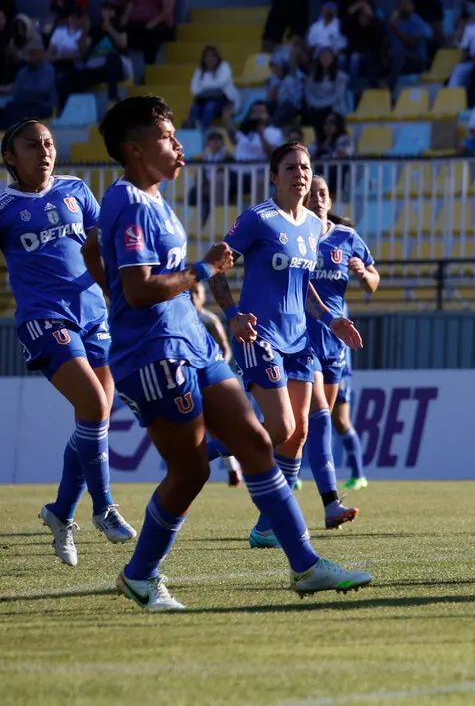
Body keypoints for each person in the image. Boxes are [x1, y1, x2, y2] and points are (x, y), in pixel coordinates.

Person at [97, 96, 371, 609]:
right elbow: (136, 290)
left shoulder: (155, 200)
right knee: (193, 471)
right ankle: (139, 574)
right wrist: (206, 276)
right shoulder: (130, 203)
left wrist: (329, 317)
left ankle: (307, 565)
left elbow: (100, 256)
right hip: (157, 351)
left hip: (196, 341)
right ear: (135, 150)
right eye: (167, 137)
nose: (179, 145)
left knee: (263, 440)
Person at [206, 143, 364, 545]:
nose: (301, 174)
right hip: (260, 336)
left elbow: (304, 284)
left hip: (300, 341)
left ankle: (265, 528)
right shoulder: (258, 219)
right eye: (291, 167)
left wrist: (331, 319)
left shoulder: (311, 225)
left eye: (305, 167)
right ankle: (204, 452)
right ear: (274, 177)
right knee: (282, 426)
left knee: (298, 434)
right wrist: (232, 314)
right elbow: (215, 267)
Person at [0, 120, 135, 566]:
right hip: (44, 318)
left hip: (95, 315)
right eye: (32, 145)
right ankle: (104, 508)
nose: (44, 151)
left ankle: (60, 512)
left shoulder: (75, 189)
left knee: (94, 417)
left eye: (49, 143)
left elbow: (101, 247)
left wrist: (120, 292)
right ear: (10, 157)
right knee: (94, 405)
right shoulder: (4, 207)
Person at [303, 175, 378, 512]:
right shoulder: (296, 234)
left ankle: (222, 449)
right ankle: (328, 501)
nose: (318, 198)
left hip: (335, 343)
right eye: (313, 194)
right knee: (316, 418)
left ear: (330, 200)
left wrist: (363, 274)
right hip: (301, 339)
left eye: (323, 194)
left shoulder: (347, 237)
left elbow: (373, 282)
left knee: (320, 421)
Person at [191, 282, 241, 487]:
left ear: (204, 297)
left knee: (217, 427)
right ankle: (232, 470)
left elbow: (225, 348)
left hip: (210, 378)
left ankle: (234, 470)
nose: (193, 296)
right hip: (188, 379)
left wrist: (218, 367)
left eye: (197, 292)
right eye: (189, 292)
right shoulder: (179, 319)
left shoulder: (209, 320)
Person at [124, 0, 175, 65]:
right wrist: (124, 20)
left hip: (160, 25)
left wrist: (154, 22)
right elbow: (130, 8)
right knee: (121, 32)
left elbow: (167, 10)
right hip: (139, 25)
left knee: (151, 34)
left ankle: (149, 68)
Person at [187, 45, 239, 132]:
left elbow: (220, 83)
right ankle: (191, 132)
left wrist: (203, 85)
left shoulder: (224, 67)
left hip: (223, 102)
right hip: (203, 100)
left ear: (217, 58)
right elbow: (194, 90)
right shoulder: (200, 70)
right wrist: (207, 86)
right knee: (194, 108)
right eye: (207, 57)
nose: (210, 59)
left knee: (209, 107)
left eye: (212, 56)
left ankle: (202, 132)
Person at [331, 358, 365, 489]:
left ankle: (358, 475)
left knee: (341, 422)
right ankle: (294, 476)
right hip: (314, 367)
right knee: (307, 420)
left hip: (337, 367)